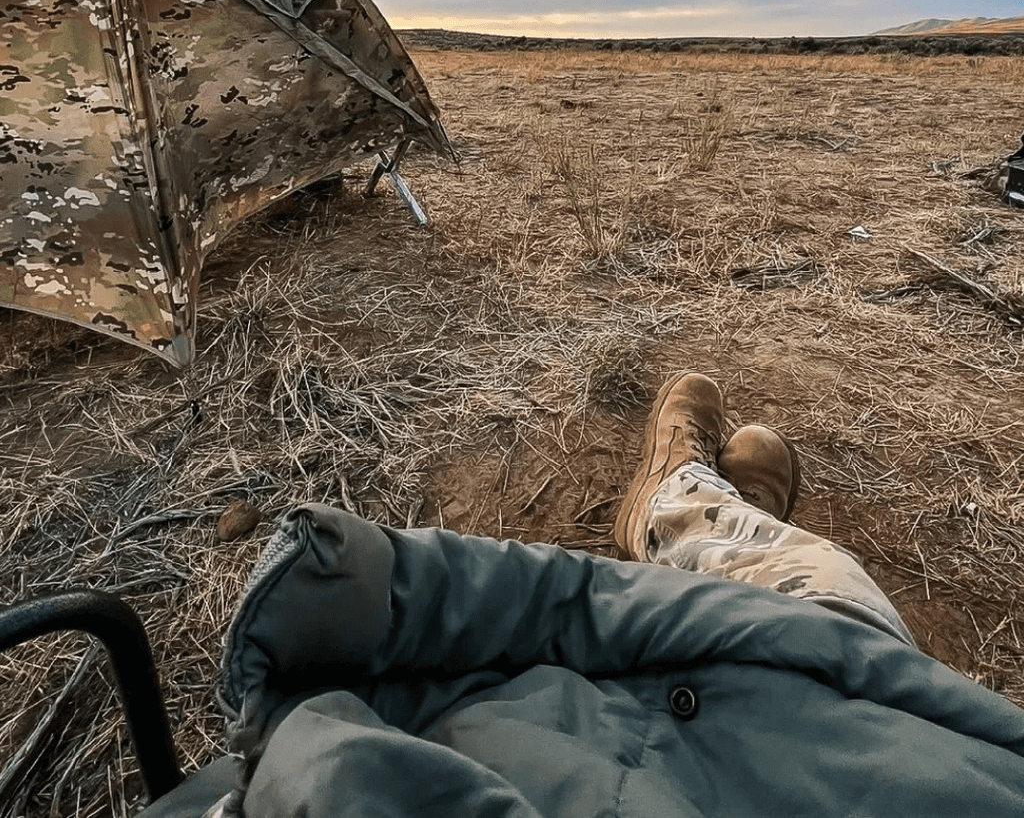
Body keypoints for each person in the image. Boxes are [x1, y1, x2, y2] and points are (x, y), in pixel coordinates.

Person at [145, 373, 1024, 817]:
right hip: (853, 688)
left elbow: (565, 598)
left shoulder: (320, 770)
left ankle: (691, 499)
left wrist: (363, 591)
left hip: (738, 688)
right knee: (821, 581)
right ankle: (707, 508)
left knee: (779, 570)